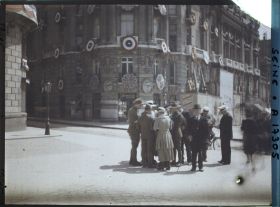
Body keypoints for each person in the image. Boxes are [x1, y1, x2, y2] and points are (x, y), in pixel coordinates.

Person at [189, 104, 209, 172]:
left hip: (201, 139)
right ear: (193, 111)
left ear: (200, 111)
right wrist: (189, 136)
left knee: (200, 154)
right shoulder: (191, 119)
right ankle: (193, 167)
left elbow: (207, 130)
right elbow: (188, 129)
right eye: (195, 110)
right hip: (194, 139)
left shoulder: (204, 119)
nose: (196, 111)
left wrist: (206, 139)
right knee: (194, 154)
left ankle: (200, 167)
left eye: (198, 110)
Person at [127, 98, 143, 166]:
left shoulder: (135, 109)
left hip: (135, 130)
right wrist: (140, 119)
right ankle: (133, 161)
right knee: (134, 146)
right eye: (140, 105)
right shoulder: (132, 110)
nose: (141, 106)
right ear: (136, 104)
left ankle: (132, 160)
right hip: (133, 130)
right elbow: (133, 121)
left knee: (134, 146)